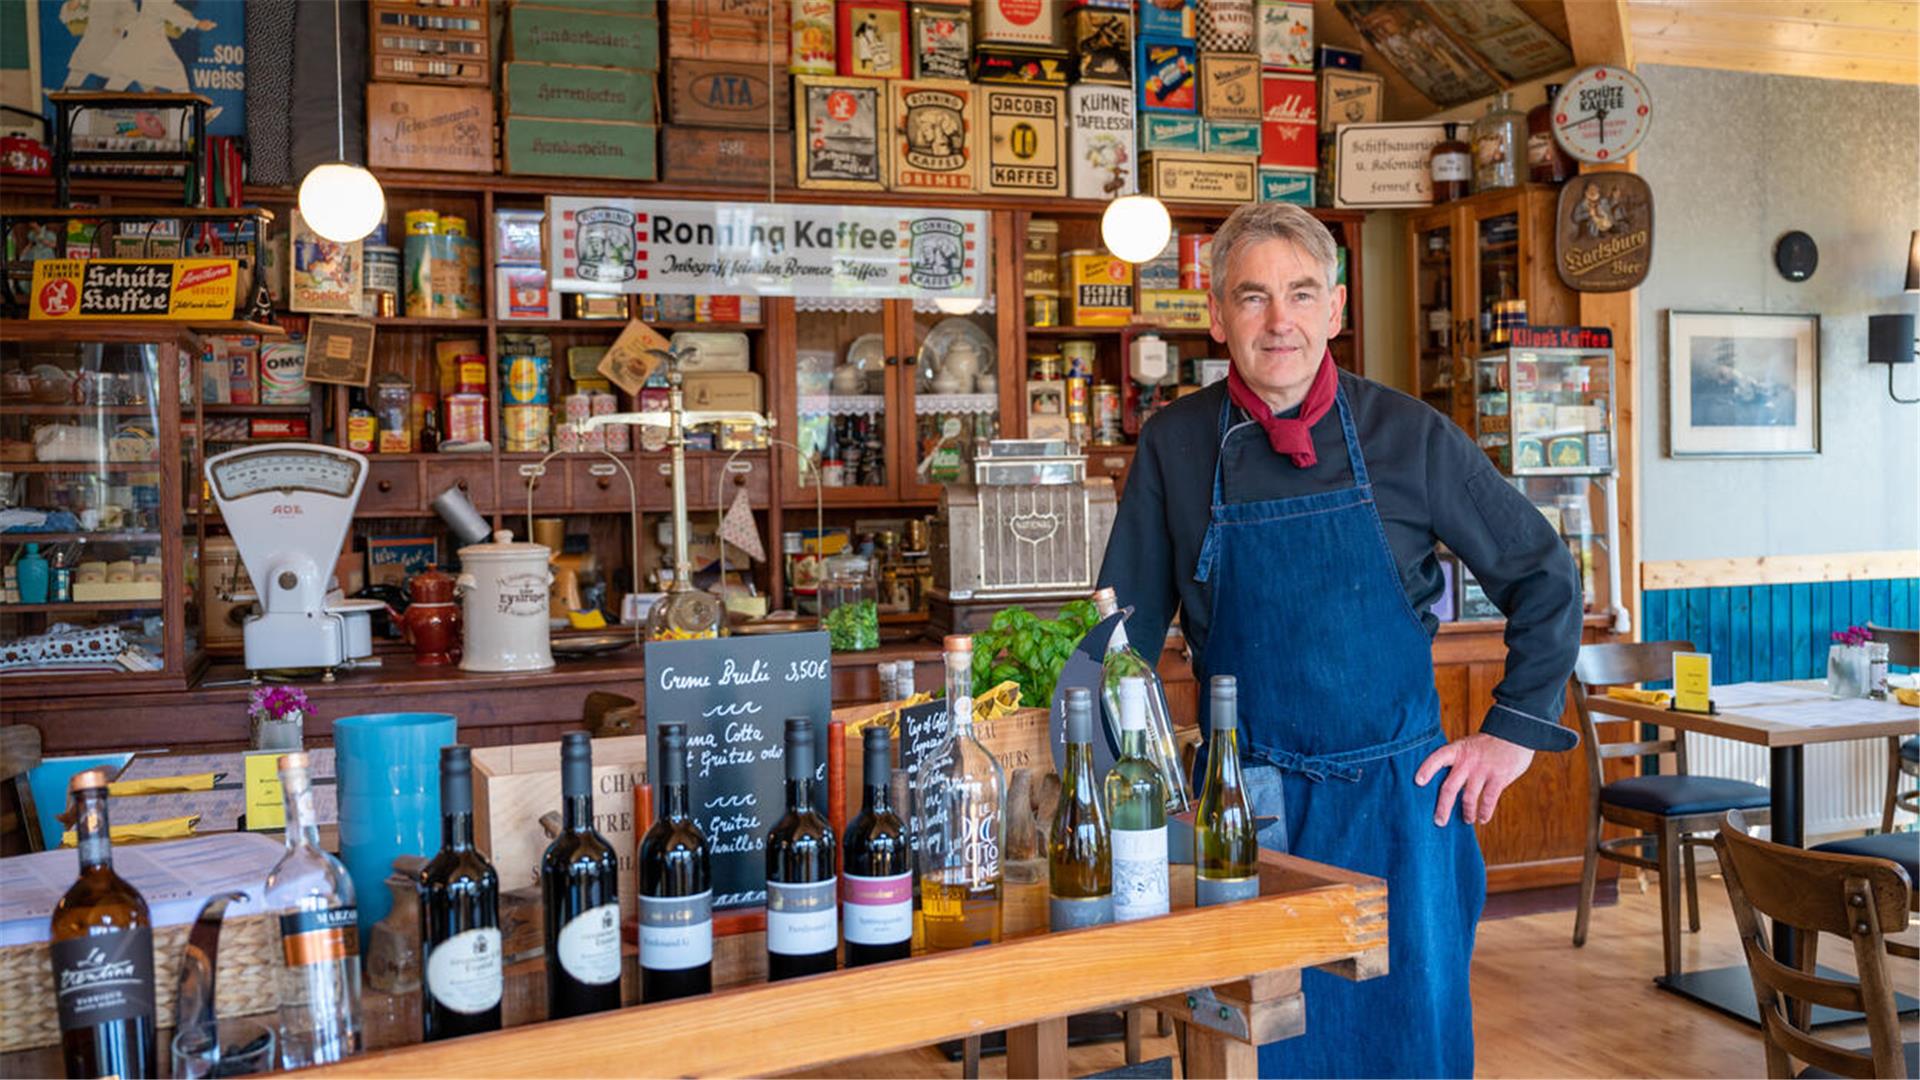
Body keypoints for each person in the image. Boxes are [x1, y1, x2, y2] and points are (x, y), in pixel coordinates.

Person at [1097, 203, 1582, 1078]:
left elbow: (1544, 575)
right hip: (1248, 813)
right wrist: (1143, 786)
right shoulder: (1174, 444)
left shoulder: (1409, 435)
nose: (1278, 320)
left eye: (1300, 293)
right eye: (1252, 297)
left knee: (1413, 1045)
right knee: (1260, 1050)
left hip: (1405, 808)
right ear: (1216, 315)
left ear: (1336, 309)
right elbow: (1116, 640)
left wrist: (1511, 734)